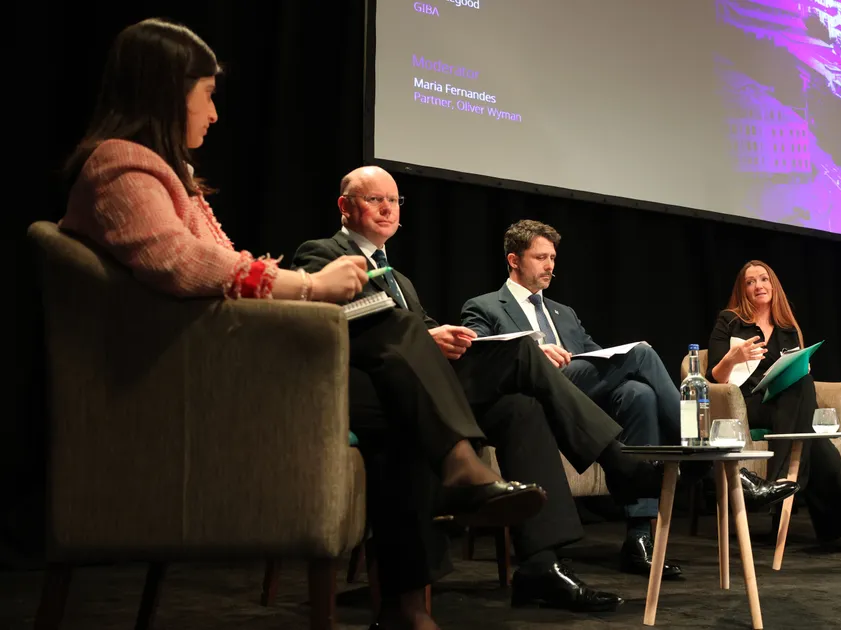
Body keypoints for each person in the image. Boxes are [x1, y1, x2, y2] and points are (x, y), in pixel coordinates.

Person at [59, 19, 546, 630]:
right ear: (166, 89)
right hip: (182, 388)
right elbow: (183, 265)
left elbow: (209, 270)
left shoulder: (163, 175)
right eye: (207, 95)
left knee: (402, 399)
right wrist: (309, 286)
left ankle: (408, 598)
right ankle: (457, 473)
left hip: (212, 366)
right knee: (392, 334)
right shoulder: (121, 167)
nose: (213, 114)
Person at [291, 167, 675, 612]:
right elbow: (331, 324)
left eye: (393, 201)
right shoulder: (320, 254)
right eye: (373, 199)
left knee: (520, 406)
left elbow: (424, 330)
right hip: (375, 392)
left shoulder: (400, 278)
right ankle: (620, 462)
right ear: (345, 207)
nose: (386, 209)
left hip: (427, 385)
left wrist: (445, 335)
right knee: (524, 355)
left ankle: (541, 566)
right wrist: (425, 337)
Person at [461, 220, 800, 573]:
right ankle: (718, 462)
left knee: (638, 393)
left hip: (580, 396)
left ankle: (638, 539)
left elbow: (596, 357)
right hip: (535, 396)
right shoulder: (485, 306)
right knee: (641, 354)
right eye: (540, 257)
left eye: (553, 258)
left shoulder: (564, 313)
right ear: (514, 260)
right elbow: (481, 359)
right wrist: (534, 351)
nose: (550, 266)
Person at [707, 260, 841, 553]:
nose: (758, 286)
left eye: (764, 279)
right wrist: (734, 357)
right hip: (745, 405)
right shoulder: (730, 321)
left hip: (783, 406)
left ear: (773, 286)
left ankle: (782, 482)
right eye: (750, 282)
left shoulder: (787, 329)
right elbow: (715, 378)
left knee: (802, 386)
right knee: (809, 425)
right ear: (742, 290)